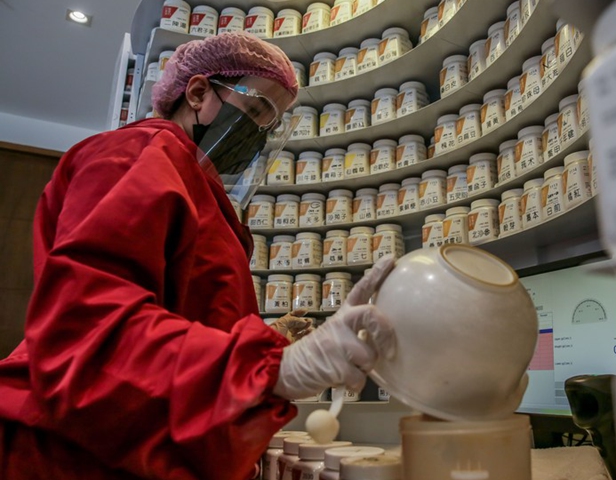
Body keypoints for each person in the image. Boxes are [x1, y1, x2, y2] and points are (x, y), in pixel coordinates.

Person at [0, 32, 395, 480]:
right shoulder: (139, 153)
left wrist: (261, 341)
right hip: (74, 454)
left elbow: (183, 313)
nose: (260, 136)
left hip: (139, 441)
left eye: (273, 125)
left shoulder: (198, 188)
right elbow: (88, 329)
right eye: (258, 111)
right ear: (199, 92)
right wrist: (273, 368)